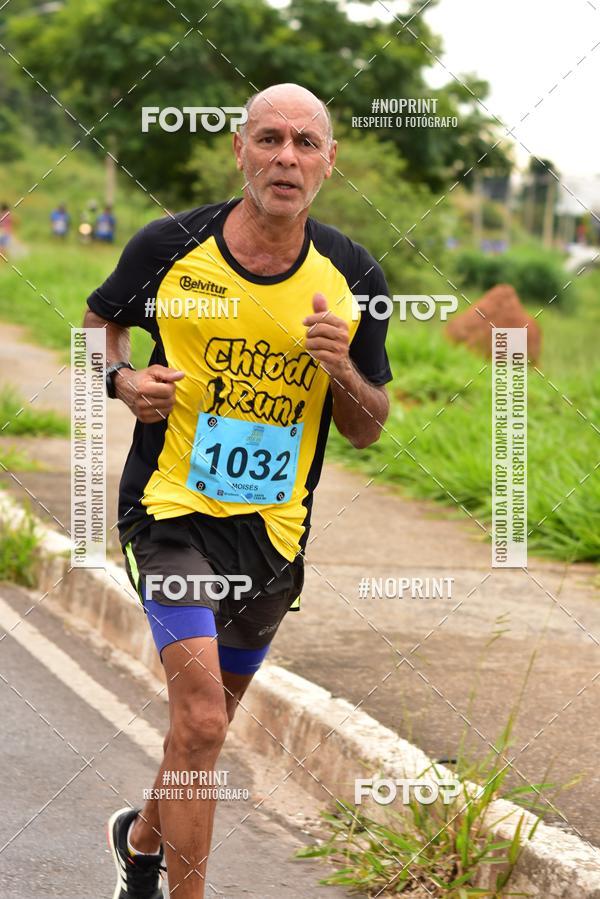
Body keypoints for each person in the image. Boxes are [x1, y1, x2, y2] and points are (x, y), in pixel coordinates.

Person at [84, 82, 392, 899]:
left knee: (197, 731)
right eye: (269, 139)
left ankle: (140, 842)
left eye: (304, 143)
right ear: (240, 149)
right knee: (205, 721)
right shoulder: (168, 246)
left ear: (329, 163)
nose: (285, 157)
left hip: (274, 537)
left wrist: (341, 368)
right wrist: (119, 379)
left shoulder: (354, 274)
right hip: (172, 511)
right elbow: (96, 324)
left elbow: (368, 426)